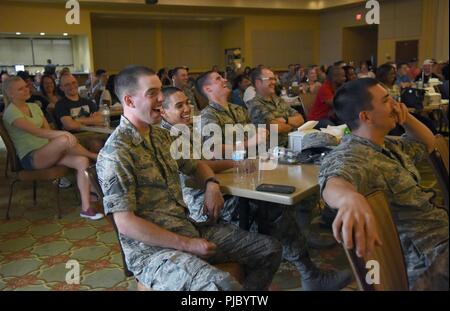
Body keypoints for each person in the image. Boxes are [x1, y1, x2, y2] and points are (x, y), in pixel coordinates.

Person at [96, 65, 282, 291]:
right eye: (152, 93)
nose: (159, 99)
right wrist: (188, 244)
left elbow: (196, 165)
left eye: (160, 92)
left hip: (186, 228)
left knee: (269, 249)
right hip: (153, 252)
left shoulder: (162, 136)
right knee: (221, 285)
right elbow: (125, 223)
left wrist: (211, 184)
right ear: (130, 100)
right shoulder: (116, 153)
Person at [197, 70, 352, 290]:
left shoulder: (238, 110)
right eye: (217, 79)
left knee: (286, 197)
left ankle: (305, 268)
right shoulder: (207, 117)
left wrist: (255, 147)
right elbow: (212, 151)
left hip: (249, 173)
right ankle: (308, 273)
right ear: (207, 89)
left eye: (223, 78)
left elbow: (260, 139)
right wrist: (248, 145)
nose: (224, 80)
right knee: (275, 209)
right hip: (226, 185)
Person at [320, 78, 448, 290]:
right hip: (430, 258)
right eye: (387, 100)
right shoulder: (354, 153)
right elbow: (334, 178)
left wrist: (406, 118)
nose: (396, 105)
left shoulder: (385, 143)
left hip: (439, 237)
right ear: (366, 116)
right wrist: (348, 198)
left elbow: (427, 143)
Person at [2, 76, 102, 220]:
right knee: (64, 139)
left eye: (26, 86)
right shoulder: (10, 112)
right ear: (11, 93)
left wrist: (62, 139)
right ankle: (96, 157)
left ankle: (86, 208)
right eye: (21, 88)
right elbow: (37, 132)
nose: (26, 89)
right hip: (31, 158)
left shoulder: (34, 107)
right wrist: (64, 135)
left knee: (81, 161)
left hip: (47, 151)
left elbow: (48, 133)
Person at [247, 67, 305, 148]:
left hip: (292, 145)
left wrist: (285, 120)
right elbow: (276, 128)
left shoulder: (278, 100)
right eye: (270, 79)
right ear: (258, 83)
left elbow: (301, 119)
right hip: (271, 151)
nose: (274, 82)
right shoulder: (255, 105)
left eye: (274, 79)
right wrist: (292, 125)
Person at [54, 74, 105, 153]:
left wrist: (77, 120)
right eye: (67, 84)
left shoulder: (87, 101)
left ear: (77, 84)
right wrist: (91, 121)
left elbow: (101, 120)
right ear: (61, 88)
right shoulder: (60, 104)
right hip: (73, 138)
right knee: (96, 143)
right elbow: (69, 125)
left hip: (92, 133)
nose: (72, 86)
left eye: (74, 82)